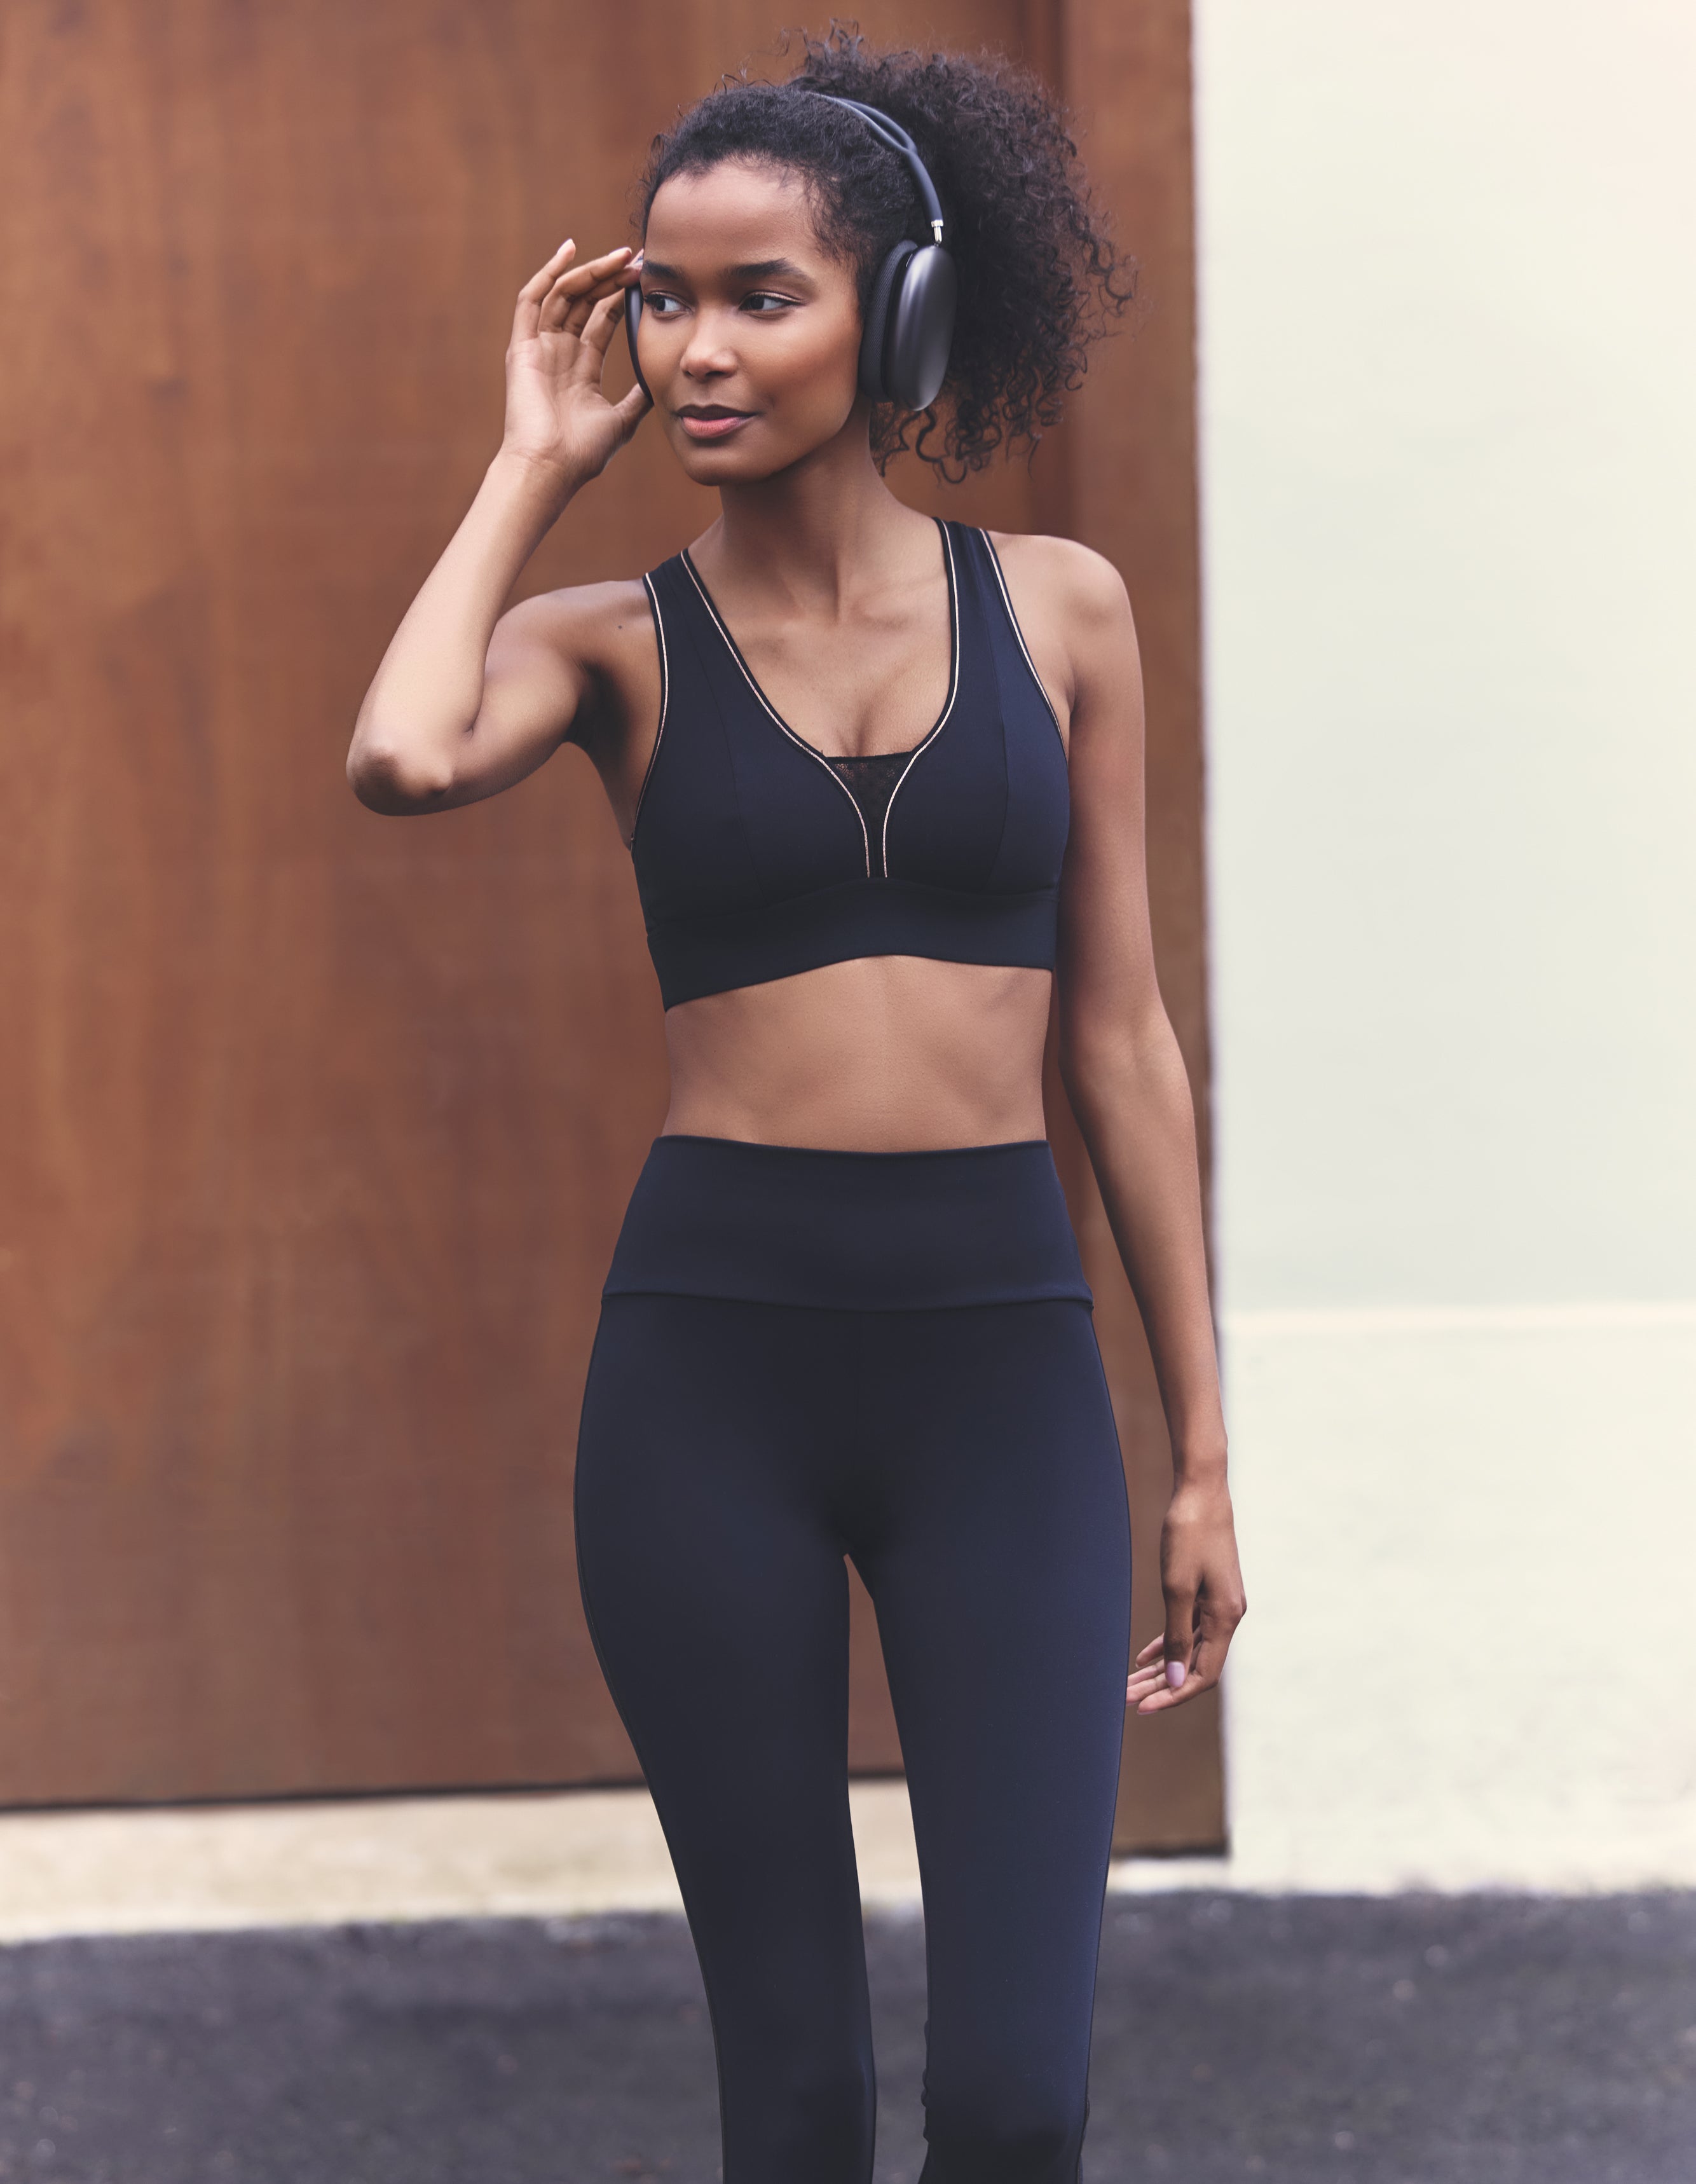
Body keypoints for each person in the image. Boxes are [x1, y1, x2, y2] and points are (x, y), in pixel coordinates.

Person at [347, 30, 1245, 2183]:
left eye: (764, 294)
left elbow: (1116, 1039)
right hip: (709, 1367)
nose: (692, 348)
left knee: (1017, 2098)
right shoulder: (611, 642)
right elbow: (397, 755)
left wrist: (1204, 1454)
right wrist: (523, 467)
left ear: (905, 312)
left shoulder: (1060, 608)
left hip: (999, 1363)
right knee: (803, 2102)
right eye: (664, 296)